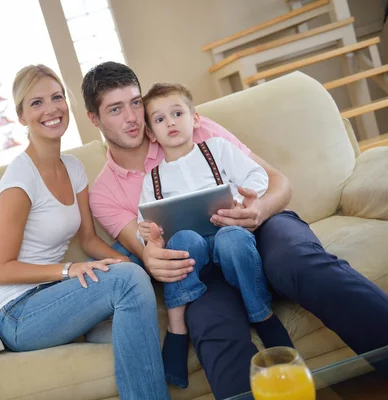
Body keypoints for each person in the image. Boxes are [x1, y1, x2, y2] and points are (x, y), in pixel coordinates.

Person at [82, 61, 388, 399]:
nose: (132, 117)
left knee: (298, 261)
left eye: (136, 103)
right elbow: (147, 253)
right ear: (94, 119)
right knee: (213, 328)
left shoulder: (192, 126)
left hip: (264, 228)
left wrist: (258, 210)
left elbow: (277, 182)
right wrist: (153, 253)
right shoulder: (104, 192)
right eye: (115, 109)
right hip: (201, 264)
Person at [0, 64, 170, 400]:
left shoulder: (73, 167)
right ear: (21, 116)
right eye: (36, 102)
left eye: (57, 98)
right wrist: (70, 270)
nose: (51, 109)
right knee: (126, 279)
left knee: (131, 261)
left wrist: (140, 262)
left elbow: (88, 240)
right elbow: (1, 271)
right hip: (18, 313)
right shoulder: (19, 179)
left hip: (56, 295)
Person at [136, 83, 293, 388]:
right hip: (195, 258)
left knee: (232, 238)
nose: (170, 122)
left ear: (195, 119)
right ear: (151, 134)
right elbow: (147, 227)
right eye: (159, 119)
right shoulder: (151, 179)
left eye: (177, 113)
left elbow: (257, 177)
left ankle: (261, 314)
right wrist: (149, 234)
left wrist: (243, 198)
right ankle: (178, 329)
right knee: (183, 241)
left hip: (228, 236)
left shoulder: (217, 149)